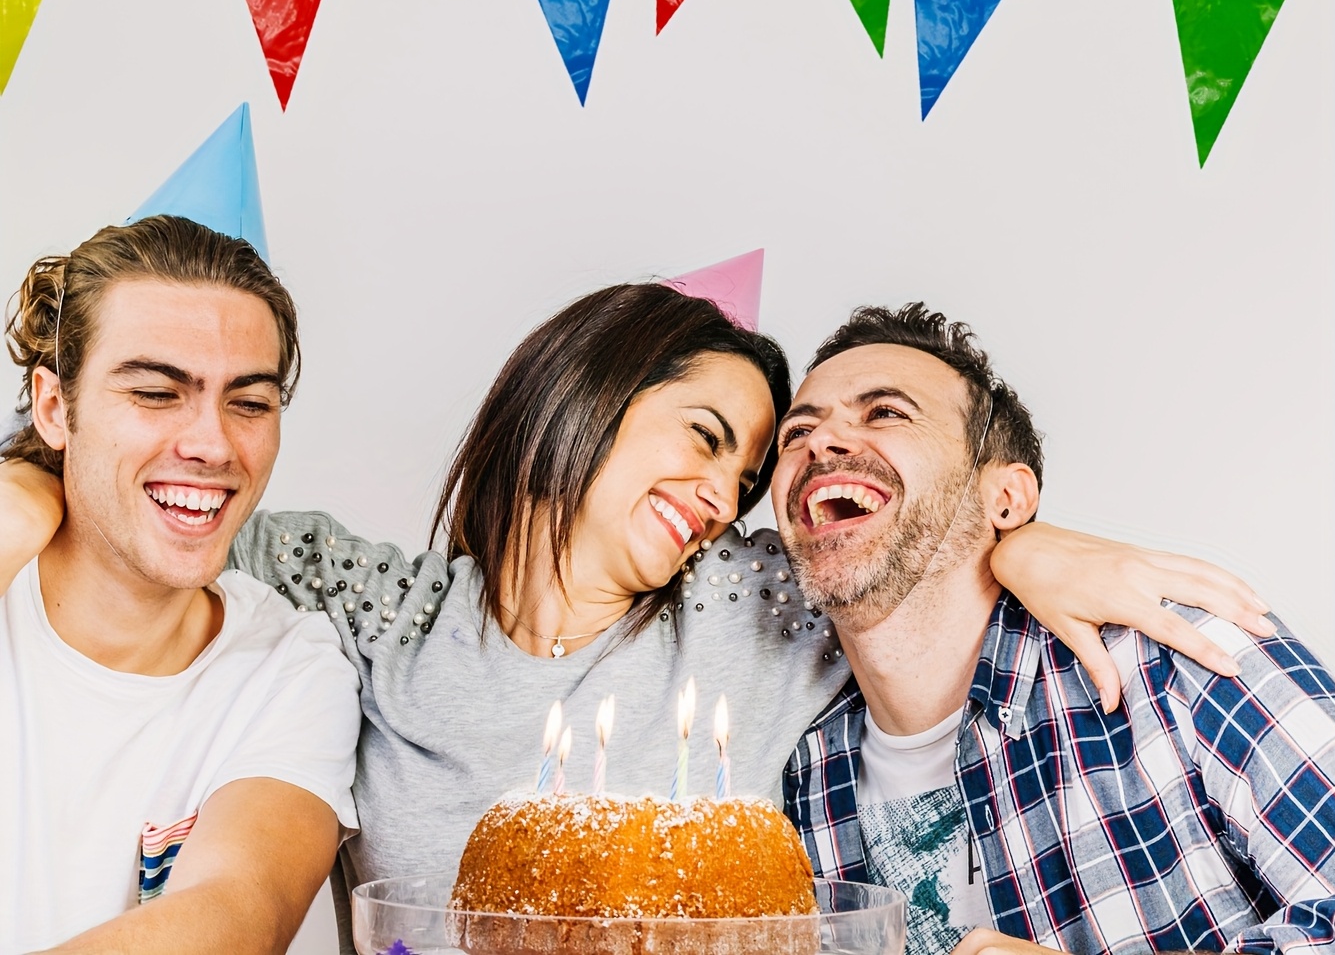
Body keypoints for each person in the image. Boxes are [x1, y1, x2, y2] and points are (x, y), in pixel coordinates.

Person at [2, 277, 1264, 952]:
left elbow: (891, 532)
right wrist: (21, 478)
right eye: (705, 438)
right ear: (584, 395)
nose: (723, 495)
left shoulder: (753, 601)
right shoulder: (374, 610)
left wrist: (1025, 535)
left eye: (742, 470)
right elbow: (161, 490)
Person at [776, 303, 1335, 955]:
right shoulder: (798, 774)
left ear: (1006, 499)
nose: (820, 442)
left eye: (887, 413)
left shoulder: (1173, 655)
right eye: (797, 433)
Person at [0, 217, 360, 955]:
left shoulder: (291, 669)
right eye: (157, 393)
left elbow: (236, 916)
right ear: (54, 408)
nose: (211, 444)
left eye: (250, 403)